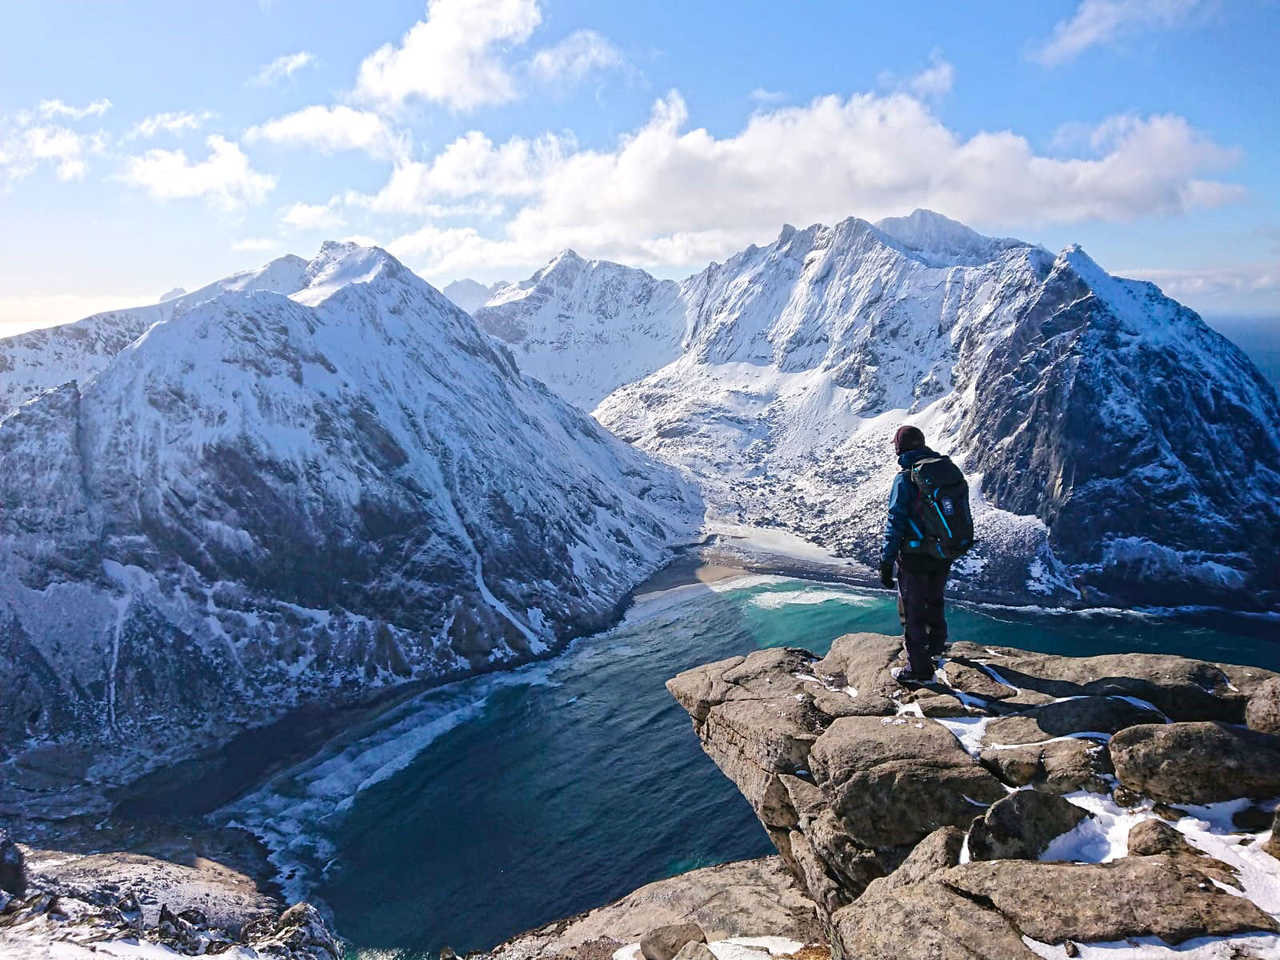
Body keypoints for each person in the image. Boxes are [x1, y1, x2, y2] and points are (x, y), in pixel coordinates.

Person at [880, 425, 951, 684]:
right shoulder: (944, 470)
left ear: (900, 448)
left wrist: (886, 560)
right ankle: (936, 649)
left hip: (914, 556)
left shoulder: (906, 478)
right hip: (942, 552)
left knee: (912, 613)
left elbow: (895, 520)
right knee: (935, 601)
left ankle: (919, 670)